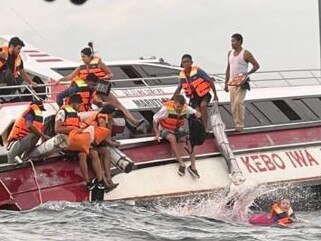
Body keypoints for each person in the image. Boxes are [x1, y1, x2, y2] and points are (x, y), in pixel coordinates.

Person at [57, 44, 144, 127]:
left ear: (90, 56)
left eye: (84, 56)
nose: (82, 58)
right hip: (88, 89)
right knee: (100, 105)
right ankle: (105, 123)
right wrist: (60, 80)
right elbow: (70, 77)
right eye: (82, 56)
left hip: (100, 86)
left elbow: (110, 74)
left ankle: (134, 121)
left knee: (117, 104)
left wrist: (106, 77)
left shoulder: (99, 63)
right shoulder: (81, 67)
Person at [54, 93, 105, 191]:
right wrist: (73, 129)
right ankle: (87, 182)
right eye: (79, 104)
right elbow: (57, 129)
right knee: (82, 154)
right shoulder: (62, 112)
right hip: (66, 141)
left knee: (94, 153)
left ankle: (100, 180)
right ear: (74, 103)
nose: (80, 106)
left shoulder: (75, 114)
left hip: (77, 140)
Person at [153, 94, 201, 178]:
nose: (179, 109)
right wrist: (157, 133)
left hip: (177, 129)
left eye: (181, 107)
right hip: (165, 129)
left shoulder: (185, 108)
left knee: (190, 139)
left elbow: (197, 113)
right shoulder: (166, 109)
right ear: (174, 103)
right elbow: (154, 119)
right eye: (178, 106)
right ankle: (181, 163)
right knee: (172, 138)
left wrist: (197, 114)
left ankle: (193, 166)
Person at [172, 54, 218, 131]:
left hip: (204, 95)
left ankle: (205, 128)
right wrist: (173, 99)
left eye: (187, 61)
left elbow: (210, 81)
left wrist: (215, 95)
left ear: (191, 62)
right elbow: (179, 88)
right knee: (197, 112)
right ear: (182, 64)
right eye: (184, 62)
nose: (186, 64)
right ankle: (200, 128)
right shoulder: (182, 75)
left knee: (203, 105)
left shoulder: (198, 71)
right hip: (194, 97)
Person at [224, 33, 260, 131]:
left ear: (239, 41)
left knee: (238, 102)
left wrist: (247, 74)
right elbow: (228, 68)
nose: (232, 43)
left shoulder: (246, 53)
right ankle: (236, 123)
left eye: (234, 41)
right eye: (231, 41)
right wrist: (225, 83)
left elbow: (256, 65)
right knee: (233, 104)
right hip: (232, 82)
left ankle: (240, 125)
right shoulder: (229, 53)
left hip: (242, 82)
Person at [85, 105, 120, 191]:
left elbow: (104, 135)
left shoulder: (102, 117)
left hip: (93, 141)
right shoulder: (102, 119)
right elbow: (104, 135)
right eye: (113, 114)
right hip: (88, 142)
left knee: (106, 151)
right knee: (99, 154)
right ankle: (105, 181)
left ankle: (108, 178)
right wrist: (112, 143)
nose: (113, 116)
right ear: (109, 113)